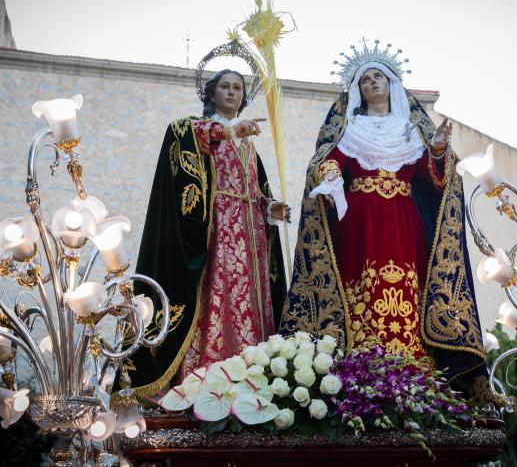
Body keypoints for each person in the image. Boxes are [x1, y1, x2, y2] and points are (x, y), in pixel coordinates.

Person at [279, 54, 487, 389]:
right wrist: (331, 180)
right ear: (359, 90)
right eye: (366, 80)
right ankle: (361, 365)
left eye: (378, 77)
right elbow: (330, 161)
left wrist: (436, 150)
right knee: (360, 281)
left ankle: (412, 369)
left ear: (391, 85)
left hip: (403, 220)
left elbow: (434, 180)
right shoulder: (350, 128)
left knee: (407, 285)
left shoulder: (410, 131)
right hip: (360, 219)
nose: (373, 83)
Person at [127, 69, 289, 399]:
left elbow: (257, 192)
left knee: (254, 304)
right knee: (218, 296)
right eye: (225, 87)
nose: (232, 93)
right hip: (217, 234)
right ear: (211, 93)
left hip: (252, 238)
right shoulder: (197, 130)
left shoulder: (249, 148)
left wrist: (271, 208)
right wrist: (228, 131)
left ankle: (255, 382)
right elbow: (184, 134)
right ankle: (206, 380)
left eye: (238, 88)